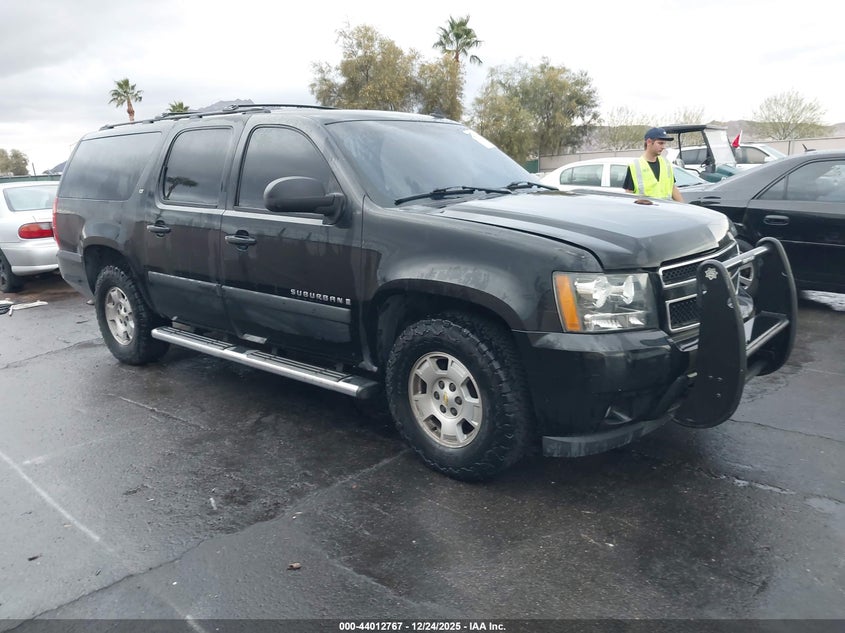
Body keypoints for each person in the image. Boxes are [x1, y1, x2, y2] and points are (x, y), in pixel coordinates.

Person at [623, 127, 684, 201]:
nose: (663, 147)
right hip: (646, 211)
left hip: (666, 211)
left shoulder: (666, 163)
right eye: (660, 143)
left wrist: (685, 208)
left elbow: (672, 188)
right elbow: (629, 194)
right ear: (649, 142)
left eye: (664, 143)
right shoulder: (635, 166)